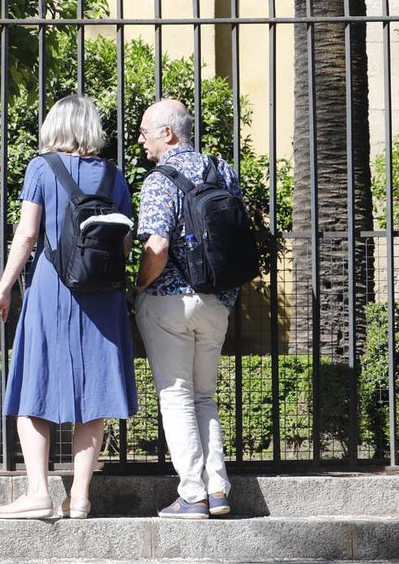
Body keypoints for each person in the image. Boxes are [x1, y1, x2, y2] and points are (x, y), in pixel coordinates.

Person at [0, 94, 138, 520]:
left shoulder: (41, 168)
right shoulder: (113, 175)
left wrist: (3, 290)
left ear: (55, 126)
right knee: (94, 397)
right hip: (102, 294)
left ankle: (38, 492)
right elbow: (124, 242)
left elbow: (27, 235)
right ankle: (81, 496)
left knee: (34, 384)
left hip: (52, 288)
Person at [134, 98, 241, 519]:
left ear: (168, 133)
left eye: (145, 131)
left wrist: (141, 284)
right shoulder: (223, 171)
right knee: (204, 397)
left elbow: (156, 246)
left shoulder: (160, 179)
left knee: (176, 397)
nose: (140, 139)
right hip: (218, 301)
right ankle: (218, 490)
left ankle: (192, 495)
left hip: (170, 302)